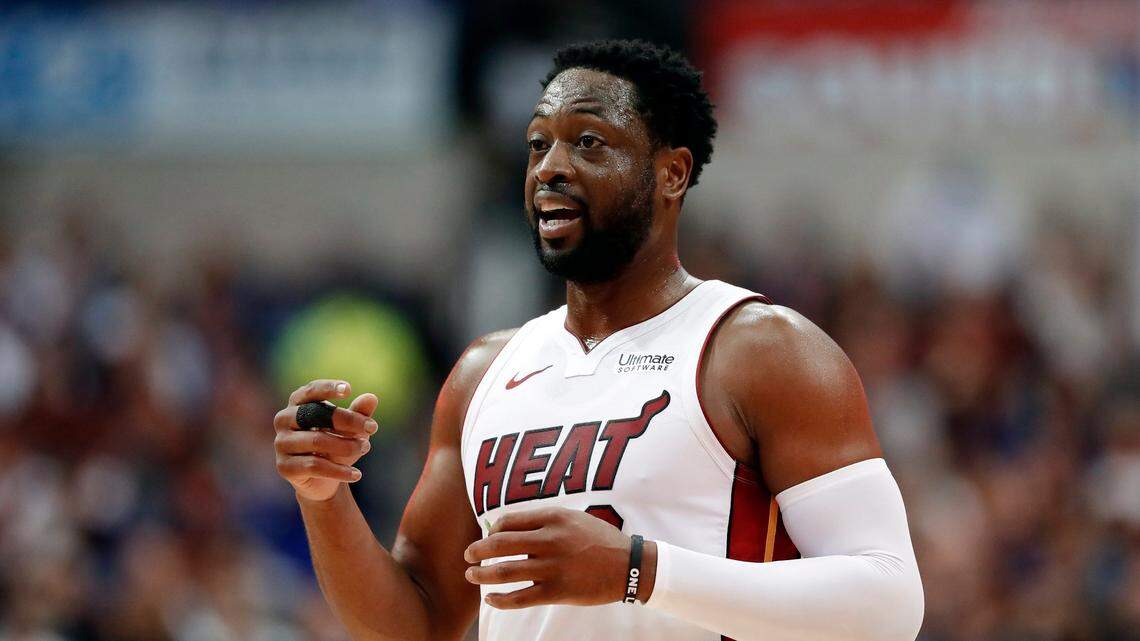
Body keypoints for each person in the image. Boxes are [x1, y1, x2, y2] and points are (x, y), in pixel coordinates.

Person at [272, 39, 924, 641]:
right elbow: (414, 621)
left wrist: (636, 570)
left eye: (588, 141)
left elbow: (891, 601)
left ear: (671, 173)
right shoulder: (483, 373)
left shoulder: (758, 349)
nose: (550, 167)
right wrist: (323, 495)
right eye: (537, 145)